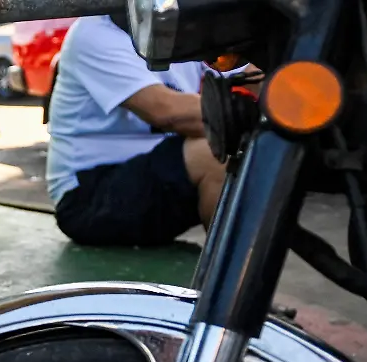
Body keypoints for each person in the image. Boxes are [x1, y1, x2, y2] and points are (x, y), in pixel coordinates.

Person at [46, 15, 236, 247]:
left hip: (157, 178)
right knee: (214, 152)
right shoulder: (93, 33)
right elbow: (164, 111)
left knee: (252, 149)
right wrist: (251, 113)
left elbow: (247, 73)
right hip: (88, 195)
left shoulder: (181, 26)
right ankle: (234, 267)